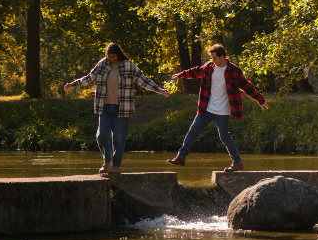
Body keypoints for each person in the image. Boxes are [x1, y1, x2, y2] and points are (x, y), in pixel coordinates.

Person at [65, 43, 169, 175]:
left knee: (119, 137)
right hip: (104, 106)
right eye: (108, 56)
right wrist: (73, 84)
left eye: (113, 56)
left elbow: (143, 80)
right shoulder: (102, 64)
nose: (111, 59)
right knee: (101, 135)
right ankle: (107, 160)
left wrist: (159, 90)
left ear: (118, 55)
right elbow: (89, 78)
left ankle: (117, 165)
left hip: (122, 107)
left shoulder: (129, 65)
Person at [166, 44, 267, 172]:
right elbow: (195, 71)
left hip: (222, 111)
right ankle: (181, 157)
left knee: (225, 136)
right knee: (193, 131)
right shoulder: (209, 67)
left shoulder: (234, 71)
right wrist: (180, 75)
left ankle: (238, 163)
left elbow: (246, 86)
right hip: (206, 109)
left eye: (215, 58)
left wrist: (260, 99)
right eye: (212, 58)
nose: (213, 61)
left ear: (223, 57)